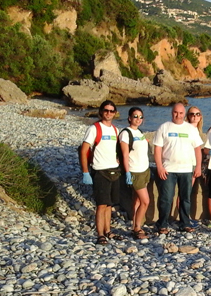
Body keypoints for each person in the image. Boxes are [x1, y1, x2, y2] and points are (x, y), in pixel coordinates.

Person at [153, 103, 203, 234]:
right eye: (176, 112)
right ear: (172, 113)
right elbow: (157, 149)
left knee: (185, 198)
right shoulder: (164, 127)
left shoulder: (191, 129)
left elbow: (197, 149)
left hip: (186, 169)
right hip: (168, 169)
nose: (178, 115)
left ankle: (184, 223)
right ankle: (162, 224)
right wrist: (159, 167)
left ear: (184, 114)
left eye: (181, 113)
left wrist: (198, 166)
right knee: (166, 198)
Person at [80, 100, 121, 245]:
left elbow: (115, 149)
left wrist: (118, 160)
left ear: (115, 113)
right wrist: (85, 172)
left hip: (114, 170)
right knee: (101, 205)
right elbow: (84, 150)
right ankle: (100, 234)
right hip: (99, 171)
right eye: (106, 110)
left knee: (109, 205)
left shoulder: (115, 130)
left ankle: (108, 231)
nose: (108, 113)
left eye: (111, 111)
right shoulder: (94, 129)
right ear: (101, 112)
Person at [119, 107, 150, 240]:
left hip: (144, 170)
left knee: (137, 199)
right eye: (135, 116)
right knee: (145, 201)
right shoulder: (126, 133)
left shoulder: (139, 132)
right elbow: (125, 155)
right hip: (135, 171)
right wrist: (127, 172)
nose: (138, 119)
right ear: (129, 118)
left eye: (140, 117)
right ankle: (137, 227)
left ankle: (134, 225)